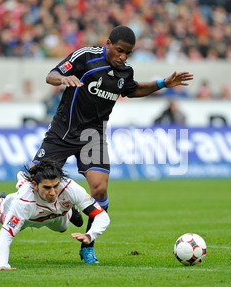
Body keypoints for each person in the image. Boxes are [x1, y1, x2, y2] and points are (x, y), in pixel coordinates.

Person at [32, 25, 193, 263]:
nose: (122, 57)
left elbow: (134, 89)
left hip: (92, 135)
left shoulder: (124, 72)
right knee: (34, 179)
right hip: (62, 131)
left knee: (99, 190)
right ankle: (7, 205)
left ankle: (88, 244)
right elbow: (51, 75)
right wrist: (64, 78)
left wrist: (162, 83)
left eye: (128, 53)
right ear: (108, 43)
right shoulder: (85, 56)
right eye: (119, 50)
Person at [0, 159, 110, 270]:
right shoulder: (24, 201)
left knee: (63, 228)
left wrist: (90, 235)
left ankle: (69, 210)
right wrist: (2, 264)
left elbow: (102, 216)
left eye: (56, 186)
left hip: (57, 214)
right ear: (35, 185)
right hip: (28, 217)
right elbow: (6, 235)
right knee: (2, 219)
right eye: (46, 188)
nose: (52, 193)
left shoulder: (70, 188)